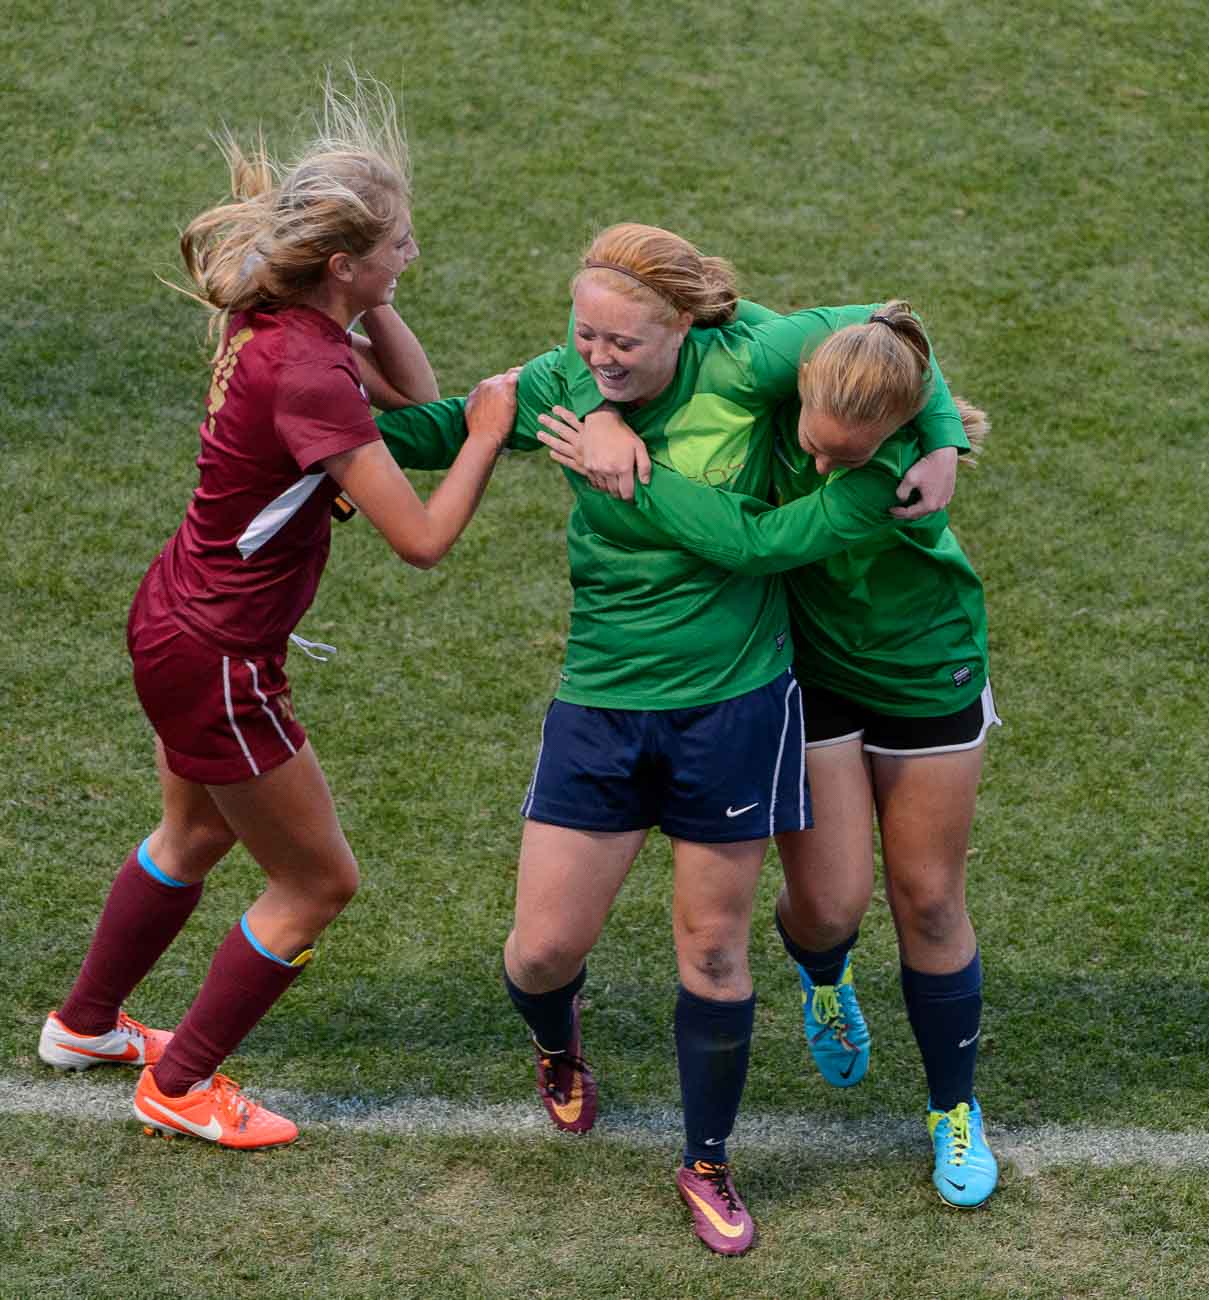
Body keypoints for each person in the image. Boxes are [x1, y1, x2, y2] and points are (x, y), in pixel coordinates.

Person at [373, 227, 975, 1254]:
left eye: (624, 345)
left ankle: (708, 1161)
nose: (600, 359)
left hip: (736, 705)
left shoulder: (754, 357)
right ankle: (558, 1045)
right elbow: (427, 433)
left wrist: (947, 438)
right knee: (542, 949)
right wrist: (327, 374)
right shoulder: (567, 382)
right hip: (603, 701)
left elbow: (894, 340)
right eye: (585, 336)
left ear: (684, 326)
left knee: (713, 947)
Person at [36, 73, 518, 1149]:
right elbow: (423, 537)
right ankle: (180, 1083)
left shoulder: (279, 320)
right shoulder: (307, 369)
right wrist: (487, 430)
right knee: (317, 878)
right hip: (219, 654)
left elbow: (406, 387)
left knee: (195, 828)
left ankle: (84, 1025)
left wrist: (373, 294)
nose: (415, 255)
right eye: (399, 244)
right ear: (340, 261)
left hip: (175, 616)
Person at [542, 301, 1001, 1208]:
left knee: (932, 900)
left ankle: (954, 1108)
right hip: (810, 670)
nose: (827, 464)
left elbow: (753, 545)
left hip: (926, 672)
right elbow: (621, 321)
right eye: (815, 443)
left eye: (850, 455)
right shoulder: (781, 367)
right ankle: (825, 977)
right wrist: (597, 413)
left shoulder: (893, 476)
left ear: (898, 430)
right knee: (830, 907)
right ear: (799, 384)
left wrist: (628, 472)